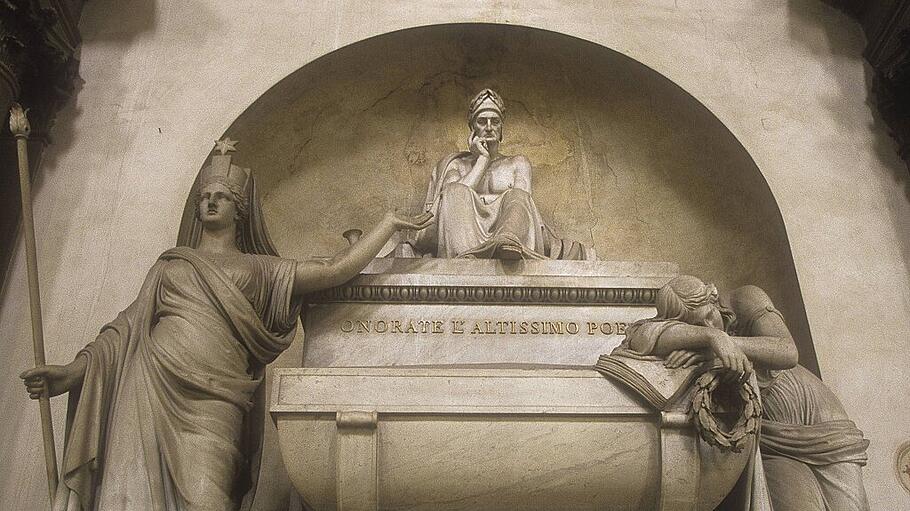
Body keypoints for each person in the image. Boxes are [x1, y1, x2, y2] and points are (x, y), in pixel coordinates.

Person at [21, 139, 433, 511]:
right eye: (205, 197)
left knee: (208, 499)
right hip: (150, 385)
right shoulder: (172, 265)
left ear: (240, 209)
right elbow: (123, 331)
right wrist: (70, 373)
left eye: (221, 196)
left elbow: (334, 271)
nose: (211, 203)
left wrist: (388, 224)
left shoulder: (262, 270)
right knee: (131, 498)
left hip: (216, 399)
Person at [616, 275, 870, 511]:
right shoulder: (700, 336)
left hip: (820, 424)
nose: (707, 325)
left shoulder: (746, 298)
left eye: (709, 317)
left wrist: (723, 343)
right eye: (696, 326)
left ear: (713, 297)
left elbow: (787, 351)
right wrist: (710, 336)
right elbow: (640, 337)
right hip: (766, 434)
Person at [414, 88, 593, 260]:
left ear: (502, 127)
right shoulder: (456, 165)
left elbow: (524, 206)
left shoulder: (517, 163)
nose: (489, 127)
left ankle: (507, 242)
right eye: (482, 121)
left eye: (495, 121)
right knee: (454, 191)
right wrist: (482, 160)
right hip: (463, 240)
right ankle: (467, 256)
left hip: (510, 236)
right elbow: (448, 205)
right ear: (472, 127)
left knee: (517, 195)